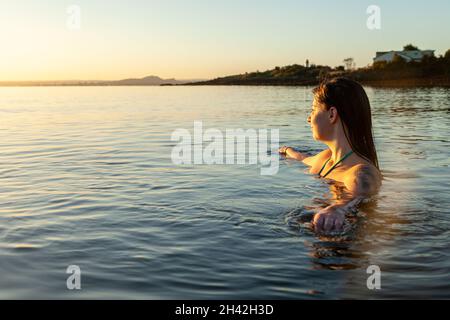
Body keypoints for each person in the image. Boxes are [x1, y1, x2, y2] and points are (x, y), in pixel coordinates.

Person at [279, 78, 382, 233]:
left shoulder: (360, 172)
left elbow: (362, 188)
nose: (309, 118)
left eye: (313, 110)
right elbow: (302, 157)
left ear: (332, 114)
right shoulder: (326, 159)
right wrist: (286, 150)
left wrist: (338, 209)